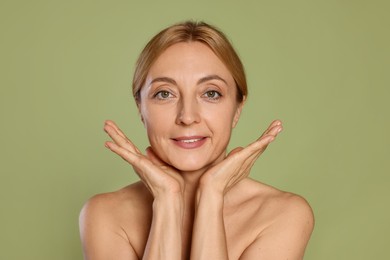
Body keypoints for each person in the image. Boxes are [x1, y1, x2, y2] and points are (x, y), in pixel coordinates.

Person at [79, 21, 314, 260]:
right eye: (164, 93)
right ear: (140, 107)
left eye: (211, 93)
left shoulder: (282, 215)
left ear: (237, 109)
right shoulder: (104, 215)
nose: (188, 117)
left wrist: (211, 195)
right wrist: (167, 200)